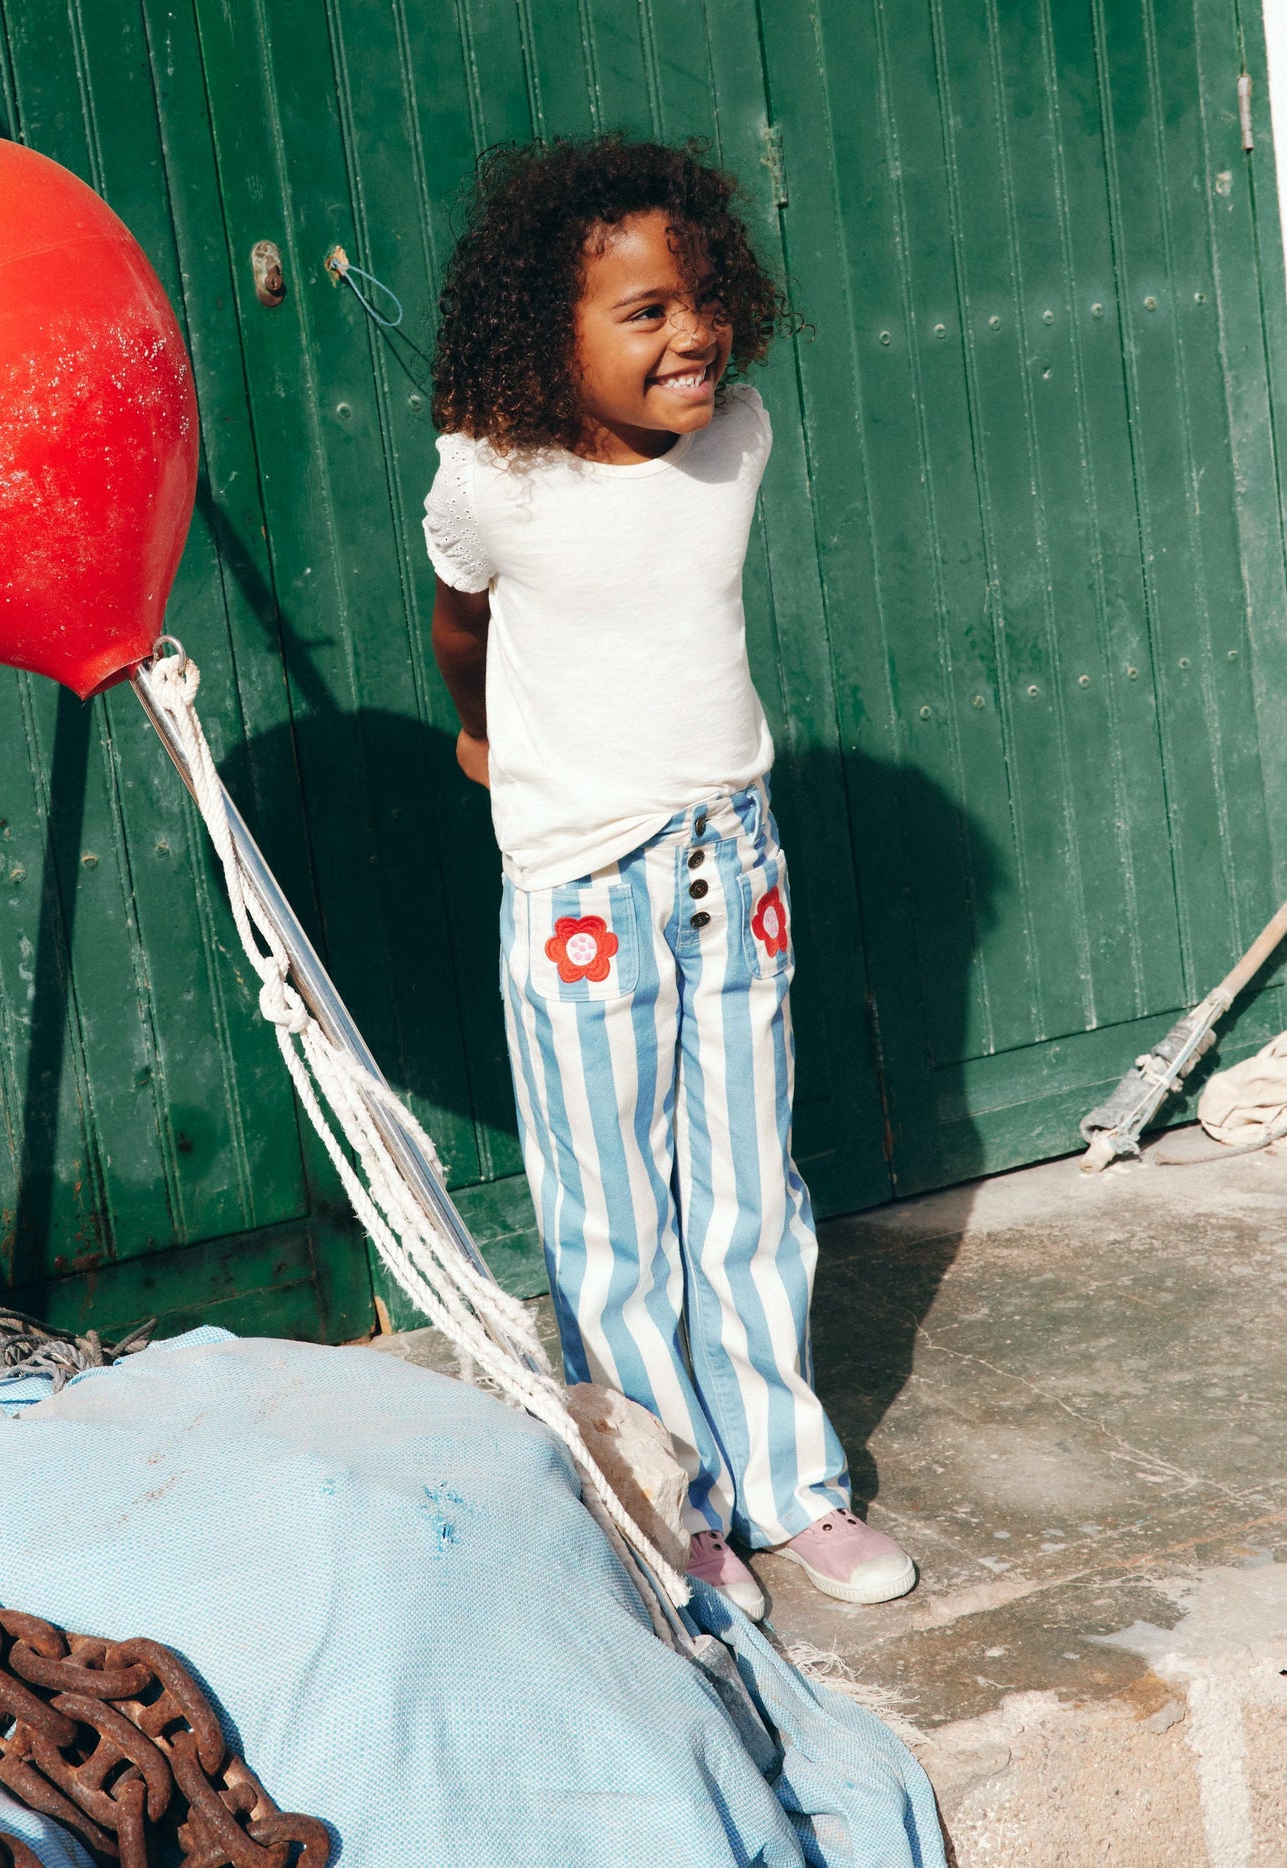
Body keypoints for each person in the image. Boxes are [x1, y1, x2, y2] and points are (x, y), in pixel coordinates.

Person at [423, 135, 915, 1618]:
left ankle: (792, 1486)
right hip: (582, 884)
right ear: (540, 335)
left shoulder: (738, 442)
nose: (688, 332)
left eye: (699, 297)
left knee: (750, 1193)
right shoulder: (487, 485)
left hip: (732, 857)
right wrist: (477, 736)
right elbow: (459, 627)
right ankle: (668, 1503)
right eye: (640, 313)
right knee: (612, 1217)